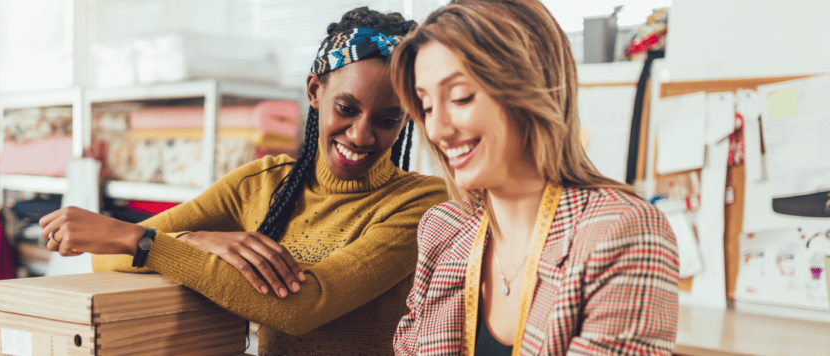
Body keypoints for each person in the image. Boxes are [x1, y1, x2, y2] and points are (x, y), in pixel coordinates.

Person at [37, 7, 448, 355]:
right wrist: (192, 238)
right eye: (346, 107)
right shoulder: (260, 184)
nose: (360, 135)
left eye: (387, 119)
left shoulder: (421, 205)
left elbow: (304, 305)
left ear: (407, 117)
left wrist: (143, 241)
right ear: (314, 91)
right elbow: (106, 255)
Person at [389, 1, 679, 355]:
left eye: (460, 97)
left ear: (528, 86)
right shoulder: (442, 229)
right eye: (427, 106)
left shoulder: (621, 232)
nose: (436, 129)